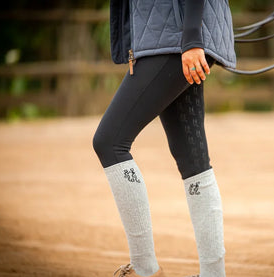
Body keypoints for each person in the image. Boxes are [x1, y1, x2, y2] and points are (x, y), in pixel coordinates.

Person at [93, 0, 236, 276]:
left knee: (109, 142)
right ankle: (213, 273)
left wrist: (192, 37)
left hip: (176, 36)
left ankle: (145, 269)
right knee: (193, 160)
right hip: (174, 35)